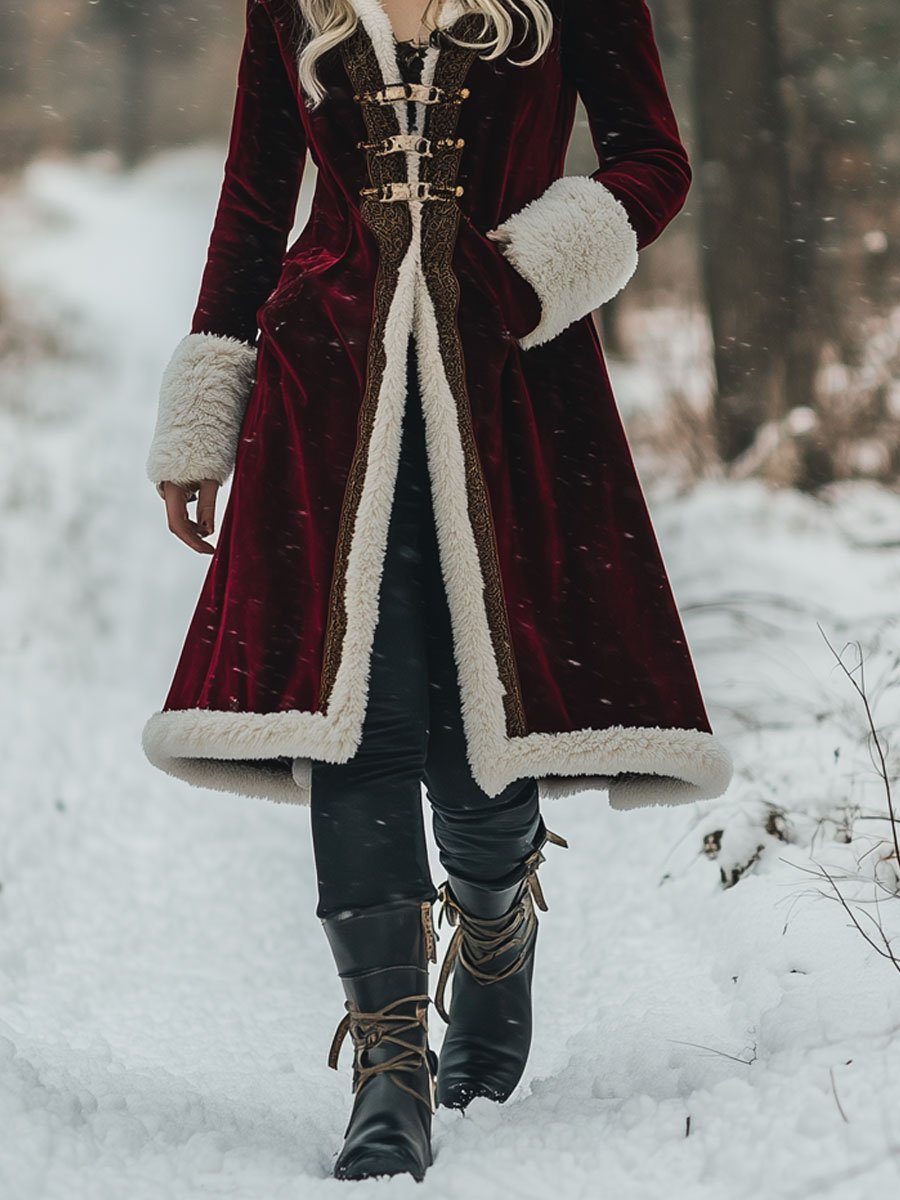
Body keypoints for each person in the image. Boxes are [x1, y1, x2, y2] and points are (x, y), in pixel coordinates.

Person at [142, 0, 733, 1182]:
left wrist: (524, 274)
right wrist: (205, 412)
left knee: (478, 730)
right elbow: (255, 199)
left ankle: (497, 920)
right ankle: (389, 1064)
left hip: (510, 389)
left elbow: (651, 159)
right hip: (328, 394)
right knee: (356, 721)